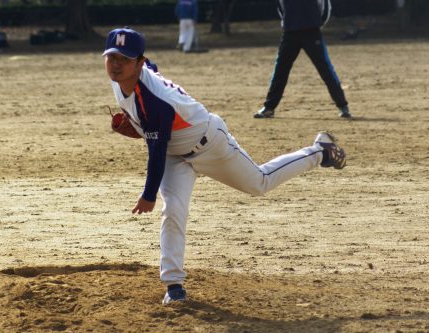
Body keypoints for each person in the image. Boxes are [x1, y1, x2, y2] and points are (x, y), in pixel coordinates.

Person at [102, 27, 347, 305]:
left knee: (260, 183)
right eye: (112, 57)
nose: (116, 64)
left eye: (124, 58)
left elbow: (155, 151)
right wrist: (139, 122)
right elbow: (154, 76)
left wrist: (148, 195)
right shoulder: (123, 79)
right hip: (175, 153)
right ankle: (174, 285)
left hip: (210, 145)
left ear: (139, 62)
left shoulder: (156, 102)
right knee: (174, 210)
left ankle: (319, 152)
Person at [254, 0, 351, 119]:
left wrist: (316, 24)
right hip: (290, 34)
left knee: (326, 69)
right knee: (280, 70)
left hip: (312, 32)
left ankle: (343, 106)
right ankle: (269, 108)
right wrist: (289, 22)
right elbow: (281, 7)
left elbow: (325, 8)